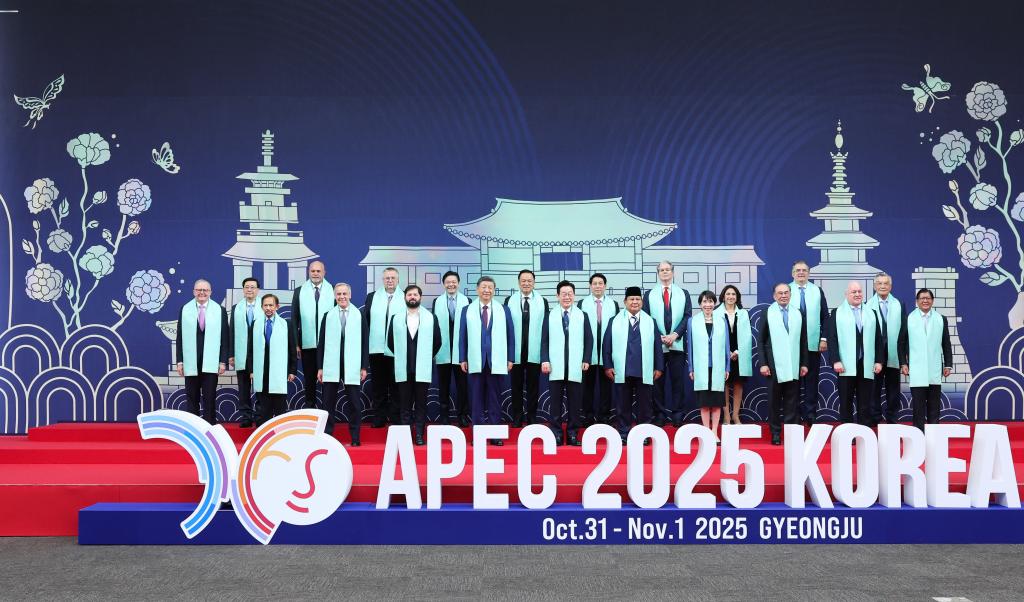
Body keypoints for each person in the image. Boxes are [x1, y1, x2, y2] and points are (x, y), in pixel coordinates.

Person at [603, 286, 664, 444]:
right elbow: (606, 345)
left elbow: (658, 346)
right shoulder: (614, 321)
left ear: (642, 302)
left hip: (644, 369)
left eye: (638, 299)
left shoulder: (651, 321)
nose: (635, 302)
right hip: (622, 369)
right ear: (625, 301)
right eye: (631, 299)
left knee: (645, 406)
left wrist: (659, 367)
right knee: (622, 405)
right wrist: (608, 366)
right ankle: (623, 433)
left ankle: (643, 434)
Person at [459, 276, 515, 444]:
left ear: (494, 290)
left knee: (494, 399)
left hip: (496, 361)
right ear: (477, 289)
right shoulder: (467, 310)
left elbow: (511, 336)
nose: (487, 290)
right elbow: (462, 336)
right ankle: (478, 435)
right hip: (475, 360)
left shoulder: (503, 310)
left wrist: (510, 358)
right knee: (476, 400)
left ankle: (495, 435)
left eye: (490, 287)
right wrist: (462, 358)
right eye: (483, 287)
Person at [387, 285, 442, 445]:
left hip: (422, 368)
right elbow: (390, 342)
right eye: (409, 294)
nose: (412, 297)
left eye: (415, 294)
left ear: (420, 297)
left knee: (421, 404)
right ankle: (405, 436)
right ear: (405, 297)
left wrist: (425, 356)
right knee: (404, 404)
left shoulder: (431, 318)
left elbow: (437, 341)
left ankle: (418, 434)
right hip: (403, 368)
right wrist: (403, 355)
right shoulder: (396, 318)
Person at [541, 281, 593, 446]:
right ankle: (556, 434)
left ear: (574, 295)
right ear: (557, 296)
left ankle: (572, 434)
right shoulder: (549, 315)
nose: (567, 297)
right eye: (563, 294)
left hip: (576, 366)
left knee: (575, 403)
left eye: (570, 293)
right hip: (555, 366)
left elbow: (589, 339)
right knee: (555, 404)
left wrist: (586, 359)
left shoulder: (582, 315)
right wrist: (545, 359)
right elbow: (544, 340)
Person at [317, 283, 369, 445]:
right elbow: (321, 343)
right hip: (331, 364)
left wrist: (364, 366)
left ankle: (355, 437)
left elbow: (365, 342)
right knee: (327, 403)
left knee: (354, 403)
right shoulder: (328, 315)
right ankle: (327, 437)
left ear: (350, 295)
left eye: (344, 294)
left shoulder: (359, 315)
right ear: (335, 296)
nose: (342, 297)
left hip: (352, 364)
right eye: (339, 294)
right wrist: (320, 367)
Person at [826, 281, 884, 425]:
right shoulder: (836, 313)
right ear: (846, 294)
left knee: (865, 401)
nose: (857, 294)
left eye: (859, 291)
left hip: (866, 363)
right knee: (846, 400)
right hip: (845, 365)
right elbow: (832, 338)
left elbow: (878, 339)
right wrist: (835, 360)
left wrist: (879, 361)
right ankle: (847, 431)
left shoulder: (872, 313)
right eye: (854, 292)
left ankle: (863, 430)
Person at [759, 283, 809, 445]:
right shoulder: (768, 312)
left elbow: (803, 340)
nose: (783, 296)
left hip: (794, 364)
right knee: (774, 402)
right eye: (780, 293)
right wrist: (763, 363)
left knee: (792, 401)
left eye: (786, 293)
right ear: (774, 296)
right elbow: (761, 340)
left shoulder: (798, 313)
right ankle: (775, 433)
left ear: (790, 294)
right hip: (773, 365)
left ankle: (791, 434)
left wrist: (804, 363)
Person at [643, 260, 691, 427]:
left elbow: (687, 316)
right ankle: (659, 415)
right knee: (657, 383)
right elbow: (646, 318)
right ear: (658, 273)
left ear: (673, 272)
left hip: (677, 344)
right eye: (661, 270)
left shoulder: (683, 293)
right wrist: (660, 337)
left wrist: (675, 334)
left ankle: (678, 415)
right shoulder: (649, 294)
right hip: (657, 346)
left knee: (678, 382)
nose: (665, 272)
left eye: (667, 269)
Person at [897, 288, 953, 431]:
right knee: (918, 405)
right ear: (917, 301)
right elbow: (901, 343)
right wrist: (903, 363)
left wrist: (948, 365)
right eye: (922, 298)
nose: (925, 301)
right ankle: (919, 433)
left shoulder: (941, 319)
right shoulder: (909, 319)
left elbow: (946, 343)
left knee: (934, 405)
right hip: (916, 368)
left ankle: (934, 434)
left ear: (932, 301)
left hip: (935, 368)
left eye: (928, 298)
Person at [176, 279, 229, 424]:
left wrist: (222, 361)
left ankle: (209, 428)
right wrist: (180, 361)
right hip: (190, 362)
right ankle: (193, 428)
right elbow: (180, 337)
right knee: (191, 398)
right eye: (199, 290)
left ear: (210, 292)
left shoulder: (220, 310)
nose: (202, 292)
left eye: (205, 290)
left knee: (209, 398)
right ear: (194, 291)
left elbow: (225, 338)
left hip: (211, 362)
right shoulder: (185, 309)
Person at [506, 269, 548, 426]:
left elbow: (545, 328)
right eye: (523, 281)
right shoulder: (509, 300)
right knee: (515, 386)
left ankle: (532, 418)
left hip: (534, 352)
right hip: (516, 351)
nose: (526, 283)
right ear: (518, 283)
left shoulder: (542, 301)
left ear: (534, 283)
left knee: (533, 387)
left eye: (529, 280)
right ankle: (517, 417)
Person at [290, 261, 333, 414]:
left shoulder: (333, 290)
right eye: (313, 271)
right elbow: (294, 319)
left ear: (324, 272)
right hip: (307, 344)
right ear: (308, 272)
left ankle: (327, 413)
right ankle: (310, 412)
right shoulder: (299, 291)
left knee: (328, 380)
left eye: (318, 271)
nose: (315, 273)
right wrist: (296, 343)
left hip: (328, 345)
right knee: (309, 380)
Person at [247, 294, 296, 425]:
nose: (268, 308)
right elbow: (250, 349)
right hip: (261, 371)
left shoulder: (286, 324)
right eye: (265, 305)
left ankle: (280, 434)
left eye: (271, 305)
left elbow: (292, 349)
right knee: (264, 409)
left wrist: (292, 370)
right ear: (262, 307)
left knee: (280, 408)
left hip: (279, 371)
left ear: (277, 307)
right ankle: (264, 433)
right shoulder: (256, 324)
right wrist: (251, 370)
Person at [790, 260, 829, 426]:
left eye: (804, 270)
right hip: (792, 345)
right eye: (798, 270)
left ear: (809, 273)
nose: (801, 273)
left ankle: (810, 415)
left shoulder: (817, 291)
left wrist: (823, 338)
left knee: (812, 381)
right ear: (793, 273)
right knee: (793, 382)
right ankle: (794, 415)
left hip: (813, 344)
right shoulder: (786, 290)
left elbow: (825, 316)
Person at [687, 291, 730, 442]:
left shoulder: (721, 320)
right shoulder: (693, 321)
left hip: (718, 367)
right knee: (704, 403)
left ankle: (714, 432)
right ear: (700, 304)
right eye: (705, 302)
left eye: (711, 301)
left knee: (717, 403)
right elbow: (690, 347)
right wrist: (691, 368)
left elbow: (726, 346)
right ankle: (706, 432)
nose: (708, 305)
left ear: (714, 303)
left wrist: (727, 367)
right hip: (701, 367)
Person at [578, 273, 619, 425]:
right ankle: (587, 416)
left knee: (606, 387)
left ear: (605, 286)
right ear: (590, 286)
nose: (597, 286)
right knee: (587, 387)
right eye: (594, 283)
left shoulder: (613, 304)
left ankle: (604, 416)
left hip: (607, 352)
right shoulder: (582, 303)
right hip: (587, 353)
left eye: (600, 283)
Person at [364, 267, 402, 427]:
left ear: (398, 280)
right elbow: (366, 321)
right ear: (382, 280)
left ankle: (395, 417)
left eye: (393, 278)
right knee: (378, 386)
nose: (390, 280)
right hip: (376, 348)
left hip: (398, 349)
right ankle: (379, 417)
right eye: (387, 278)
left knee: (396, 385)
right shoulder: (372, 297)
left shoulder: (405, 296)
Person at [432, 271, 471, 426]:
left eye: (454, 282)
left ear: (458, 283)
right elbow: (434, 327)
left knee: (463, 386)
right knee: (443, 386)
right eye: (448, 282)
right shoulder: (437, 301)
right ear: (444, 284)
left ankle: (462, 415)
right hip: (443, 350)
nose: (451, 285)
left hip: (461, 353)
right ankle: (444, 416)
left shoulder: (467, 301)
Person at [865, 272, 904, 423]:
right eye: (879, 283)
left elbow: (904, 330)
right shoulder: (867, 305)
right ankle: (874, 417)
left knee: (893, 387)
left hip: (894, 352)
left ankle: (892, 417)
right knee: (873, 387)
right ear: (874, 286)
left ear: (890, 286)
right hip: (875, 353)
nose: (883, 286)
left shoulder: (899, 304)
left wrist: (903, 353)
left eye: (886, 283)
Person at [715, 285, 752, 426]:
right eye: (728, 294)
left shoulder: (743, 313)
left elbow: (747, 336)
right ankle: (726, 416)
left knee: (738, 383)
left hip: (739, 354)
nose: (730, 296)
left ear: (737, 297)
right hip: (722, 353)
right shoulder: (716, 313)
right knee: (723, 384)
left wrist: (737, 352)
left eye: (733, 294)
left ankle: (736, 416)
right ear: (723, 296)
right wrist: (727, 352)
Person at [229, 277, 260, 427]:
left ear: (258, 290)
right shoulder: (236, 308)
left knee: (260, 385)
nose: (249, 290)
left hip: (259, 353)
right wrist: (231, 354)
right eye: (247, 287)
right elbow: (231, 331)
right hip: (241, 353)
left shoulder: (264, 305)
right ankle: (246, 416)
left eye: (252, 287)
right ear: (243, 290)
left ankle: (260, 415)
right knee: (243, 387)